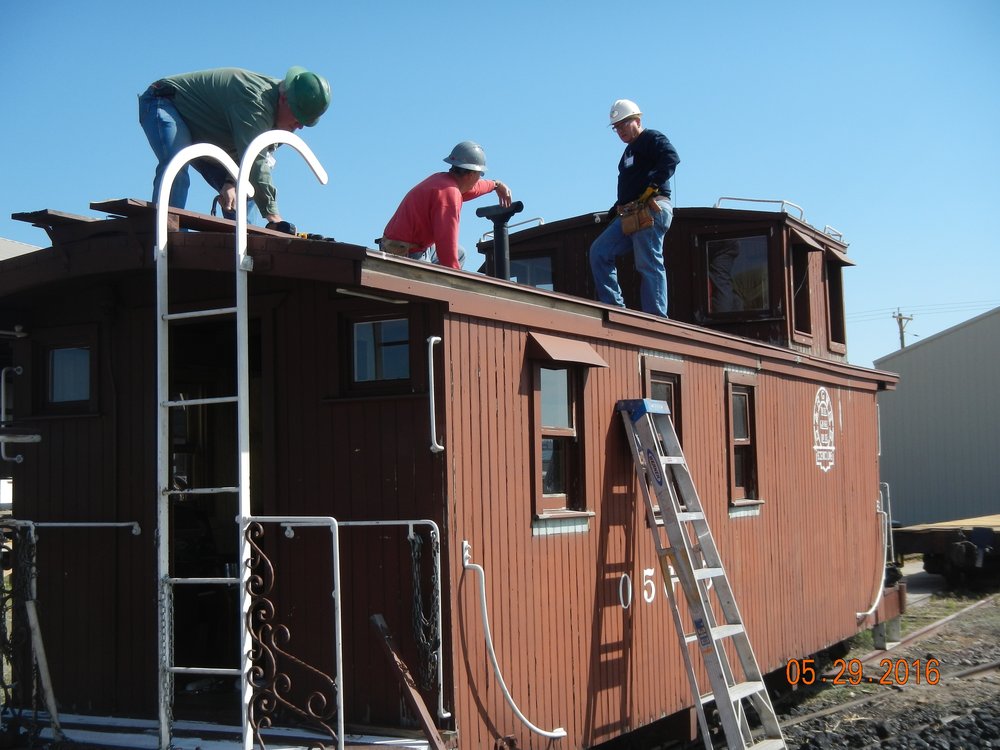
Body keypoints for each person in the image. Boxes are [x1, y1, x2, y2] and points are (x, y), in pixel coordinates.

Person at [138, 66, 331, 232]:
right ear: (284, 99)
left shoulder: (282, 123)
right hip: (165, 102)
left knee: (246, 190)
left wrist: (231, 182)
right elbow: (256, 162)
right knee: (176, 163)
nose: (299, 126)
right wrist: (273, 216)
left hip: (208, 131)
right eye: (298, 117)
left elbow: (254, 159)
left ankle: (243, 250)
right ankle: (166, 235)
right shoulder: (255, 103)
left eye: (305, 121)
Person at [589, 99, 680, 317]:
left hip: (651, 207)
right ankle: (615, 308)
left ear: (637, 121)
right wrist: (615, 208)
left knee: (647, 262)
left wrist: (653, 186)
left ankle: (656, 319)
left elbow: (671, 157)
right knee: (599, 252)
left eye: (623, 124)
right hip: (632, 212)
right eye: (616, 127)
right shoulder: (628, 153)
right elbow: (632, 185)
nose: (619, 130)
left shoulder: (651, 138)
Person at [379, 141, 512, 269]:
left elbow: (475, 188)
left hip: (406, 244)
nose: (479, 179)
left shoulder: (442, 180)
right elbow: (446, 247)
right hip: (404, 251)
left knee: (460, 253)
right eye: (480, 174)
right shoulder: (449, 195)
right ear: (471, 174)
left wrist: (496, 184)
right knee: (430, 287)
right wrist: (456, 282)